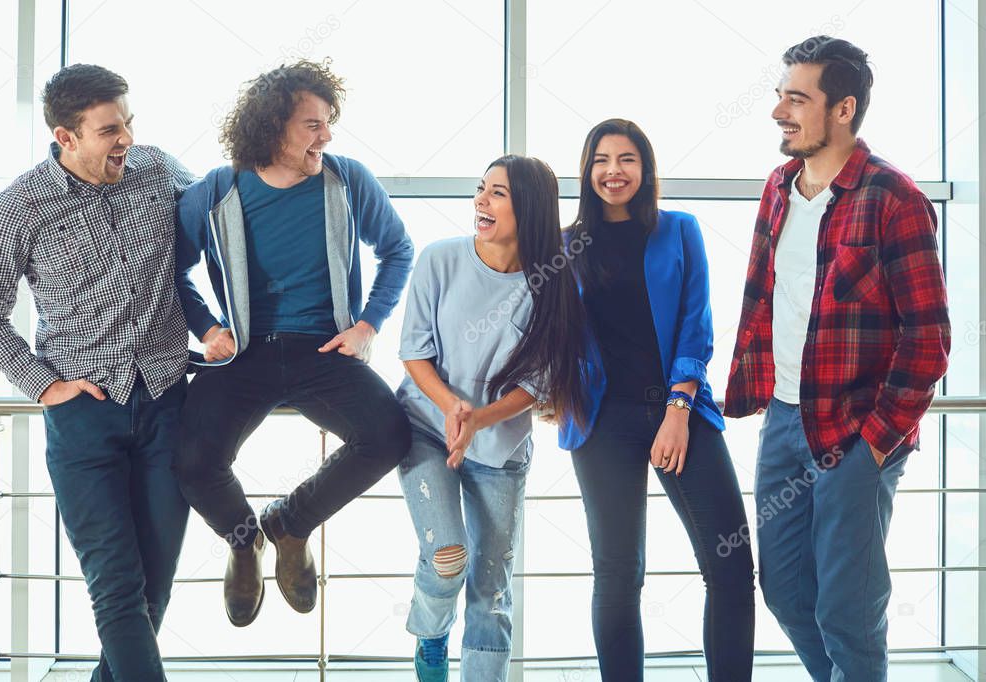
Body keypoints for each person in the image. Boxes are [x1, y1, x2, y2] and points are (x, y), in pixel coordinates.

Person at [724, 36, 950, 681]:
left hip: (855, 432)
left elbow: (929, 337)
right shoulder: (778, 187)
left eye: (797, 98)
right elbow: (765, 300)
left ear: (844, 108)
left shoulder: (894, 199)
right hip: (785, 421)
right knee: (787, 593)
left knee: (847, 611)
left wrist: (877, 440)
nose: (778, 112)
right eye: (779, 95)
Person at [0, 64, 194, 681]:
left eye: (128, 124)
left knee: (153, 589)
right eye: (109, 131)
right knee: (116, 588)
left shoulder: (160, 171)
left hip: (168, 403)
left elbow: (224, 224)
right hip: (84, 419)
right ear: (67, 137)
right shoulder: (19, 205)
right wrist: (45, 385)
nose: (126, 140)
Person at [172, 59, 414, 627]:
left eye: (327, 122)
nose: (326, 135)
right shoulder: (216, 190)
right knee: (191, 461)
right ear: (274, 127)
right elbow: (170, 274)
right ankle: (243, 540)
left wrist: (368, 325)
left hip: (322, 351)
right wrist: (208, 328)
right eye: (313, 124)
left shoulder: (348, 179)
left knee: (388, 435)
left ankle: (290, 523)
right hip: (245, 353)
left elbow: (398, 251)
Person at [557, 119, 755, 682]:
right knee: (619, 575)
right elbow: (552, 333)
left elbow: (697, 325)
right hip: (601, 422)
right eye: (601, 159)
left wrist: (678, 409)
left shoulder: (680, 230)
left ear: (645, 170)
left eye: (626, 159)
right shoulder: (567, 244)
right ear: (587, 170)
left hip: (682, 412)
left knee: (732, 567)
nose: (613, 171)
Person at [397, 155, 591, 681]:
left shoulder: (552, 282)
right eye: (481, 189)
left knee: (492, 583)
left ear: (528, 207)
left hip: (500, 445)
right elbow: (413, 351)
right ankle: (431, 639)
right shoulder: (439, 260)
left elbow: (541, 384)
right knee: (447, 556)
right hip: (425, 428)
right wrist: (452, 408)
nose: (481, 200)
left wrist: (480, 419)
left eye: (497, 193)